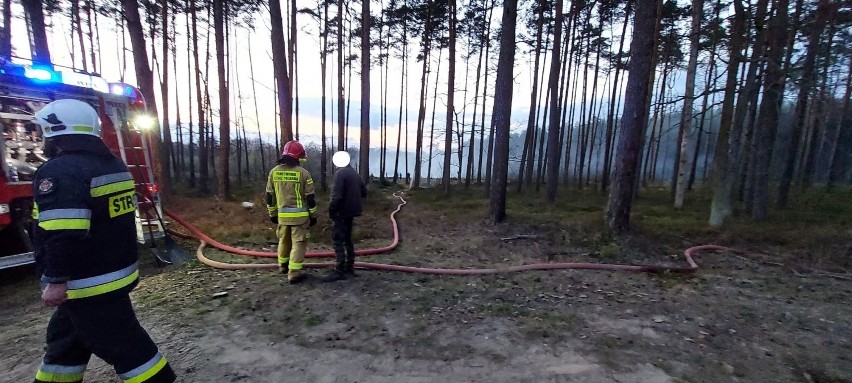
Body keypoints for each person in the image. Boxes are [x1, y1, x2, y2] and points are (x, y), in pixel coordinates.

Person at [30, 99, 176, 383]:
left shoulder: (60, 172)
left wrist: (56, 279)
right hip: (114, 272)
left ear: (55, 131)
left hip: (86, 282)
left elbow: (65, 233)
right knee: (65, 345)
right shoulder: (113, 164)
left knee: (128, 348)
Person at [266, 140, 318, 284]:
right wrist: (313, 215)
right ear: (297, 156)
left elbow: (270, 197)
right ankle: (294, 273)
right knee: (298, 244)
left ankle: (283, 266)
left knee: (284, 241)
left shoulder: (274, 172)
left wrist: (272, 213)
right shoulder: (304, 174)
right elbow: (310, 198)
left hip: (282, 217)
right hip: (300, 219)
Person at [322, 151, 367, 282]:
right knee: (348, 239)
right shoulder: (355, 174)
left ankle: (339, 270)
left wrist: (331, 210)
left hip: (341, 213)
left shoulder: (340, 174)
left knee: (338, 240)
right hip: (352, 212)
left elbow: (336, 196)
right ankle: (350, 267)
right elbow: (364, 192)